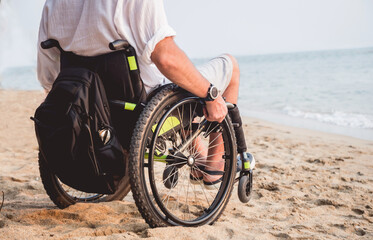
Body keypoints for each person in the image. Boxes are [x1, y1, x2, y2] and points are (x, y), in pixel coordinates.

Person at [37, 0, 241, 186]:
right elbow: (166, 58)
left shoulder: (54, 3)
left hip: (89, 108)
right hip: (142, 109)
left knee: (178, 80)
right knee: (229, 66)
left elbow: (48, 72)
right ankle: (214, 167)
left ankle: (199, 158)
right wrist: (211, 94)